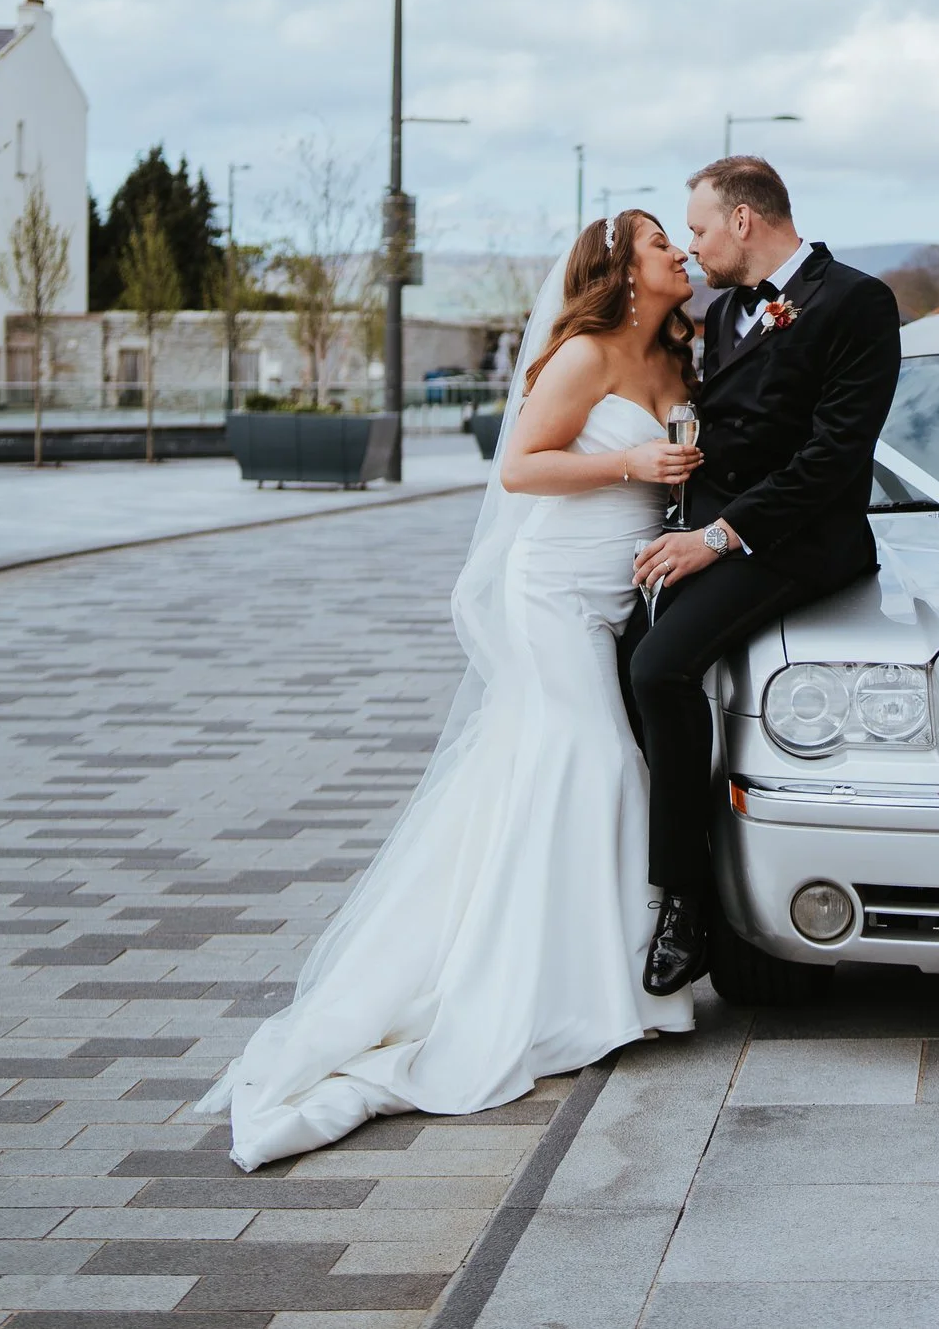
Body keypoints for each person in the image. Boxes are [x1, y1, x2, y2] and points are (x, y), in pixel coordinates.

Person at [201, 211, 705, 1170]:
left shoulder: (679, 360)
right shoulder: (585, 356)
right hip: (550, 593)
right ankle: (579, 990)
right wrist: (632, 460)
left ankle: (587, 975)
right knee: (595, 761)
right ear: (620, 270)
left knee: (557, 773)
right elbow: (520, 467)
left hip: (618, 597)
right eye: (659, 243)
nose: (678, 253)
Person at [623, 156, 902, 995]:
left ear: (744, 221)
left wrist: (714, 538)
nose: (695, 248)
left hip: (802, 540)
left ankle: (689, 898)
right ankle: (687, 848)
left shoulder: (856, 301)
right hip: (718, 532)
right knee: (623, 658)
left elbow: (833, 457)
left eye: (701, 230)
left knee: (660, 666)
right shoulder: (726, 309)